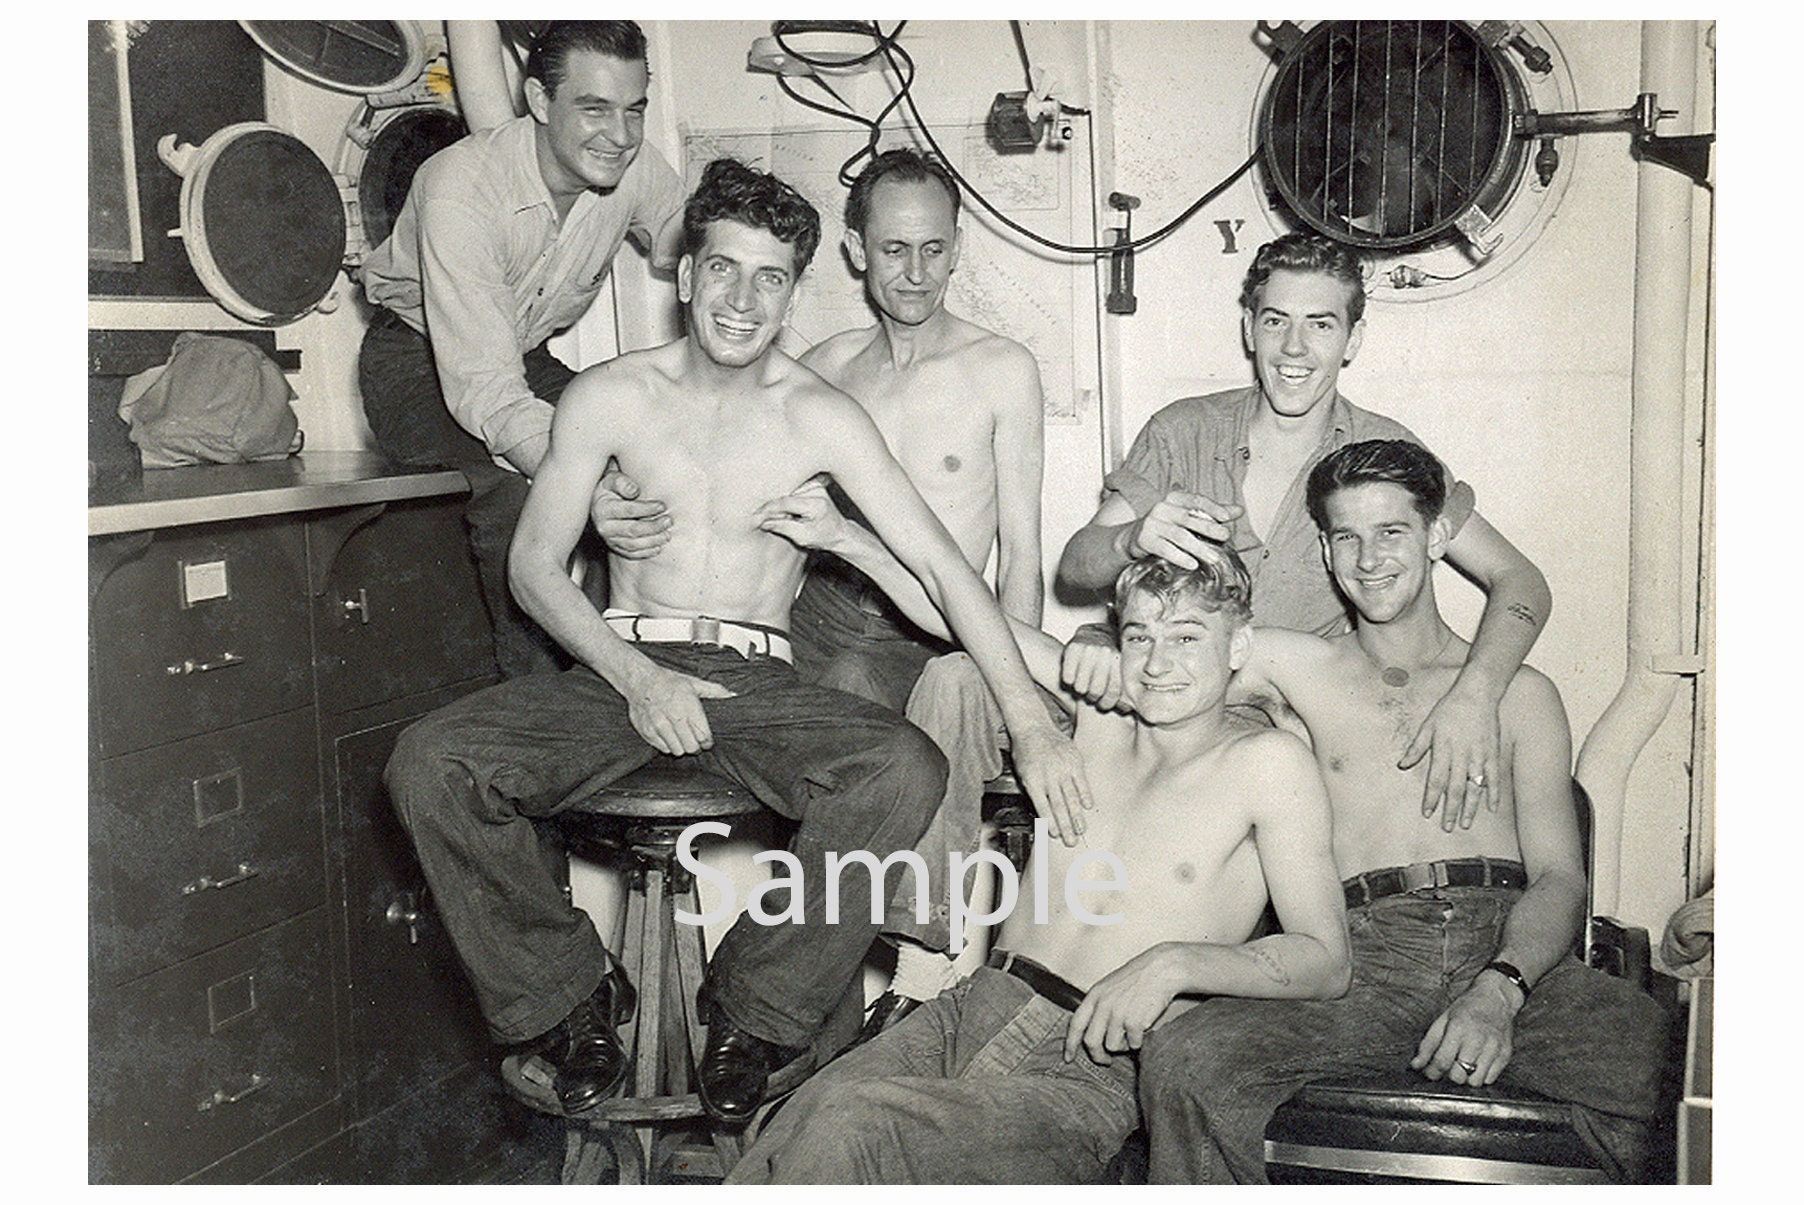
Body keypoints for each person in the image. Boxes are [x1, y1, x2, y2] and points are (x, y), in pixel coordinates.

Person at [384, 157, 1091, 1127]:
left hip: (757, 675)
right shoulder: (607, 395)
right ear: (685, 273)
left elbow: (942, 569)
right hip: (618, 659)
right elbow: (535, 568)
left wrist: (1034, 724)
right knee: (429, 761)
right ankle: (568, 995)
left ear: (794, 290)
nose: (742, 298)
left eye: (768, 278)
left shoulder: (820, 413)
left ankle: (752, 1007)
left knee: (901, 767)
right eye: (724, 269)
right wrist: (635, 677)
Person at [1078, 439, 1672, 1183]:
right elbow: (1168, 654)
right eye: (1346, 536)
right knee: (1186, 1059)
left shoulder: (1521, 693)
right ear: (1324, 549)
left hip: (1509, 942)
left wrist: (1500, 988)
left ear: (1437, 536)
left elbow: (1558, 878)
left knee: (1653, 1053)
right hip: (1364, 960)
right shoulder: (1293, 665)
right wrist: (1096, 636)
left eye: (1391, 531)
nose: (1368, 558)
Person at [724, 546, 1351, 1183]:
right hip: (972, 1010)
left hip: (1088, 1062)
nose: (1159, 664)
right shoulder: (1101, 717)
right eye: (1140, 637)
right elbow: (958, 613)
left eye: (1188, 638)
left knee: (853, 1123)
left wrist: (1176, 963)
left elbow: (1327, 960)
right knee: (790, 1123)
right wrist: (847, 539)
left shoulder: (1267, 763)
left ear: (1239, 646)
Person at [1058, 232, 1553, 830]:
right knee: (961, 682)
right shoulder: (1182, 429)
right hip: (1159, 685)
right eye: (1275, 321)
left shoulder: (1382, 455)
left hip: (1276, 724)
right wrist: (1130, 539)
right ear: (1249, 330)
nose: (1294, 348)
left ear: (1352, 339)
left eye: (1320, 324)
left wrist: (1476, 695)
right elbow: (1076, 566)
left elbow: (1521, 580)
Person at [797, 147, 1047, 1023]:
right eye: (894, 248)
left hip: (941, 632)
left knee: (919, 721)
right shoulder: (823, 365)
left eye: (934, 250)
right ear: (857, 249)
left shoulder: (1000, 368)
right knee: (822, 821)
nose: (915, 272)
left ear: (957, 246)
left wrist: (1010, 687)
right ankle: (804, 1036)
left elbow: (1021, 552)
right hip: (826, 620)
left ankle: (907, 975)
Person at [359, 20, 685, 677]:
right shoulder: (459, 188)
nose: (620, 137)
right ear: (538, 101)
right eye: (594, 109)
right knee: (526, 495)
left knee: (653, 443)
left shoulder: (633, 165)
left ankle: (644, 667)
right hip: (414, 363)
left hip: (519, 350)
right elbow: (494, 395)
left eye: (634, 110)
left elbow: (696, 243)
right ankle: (536, 717)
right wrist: (580, 482)